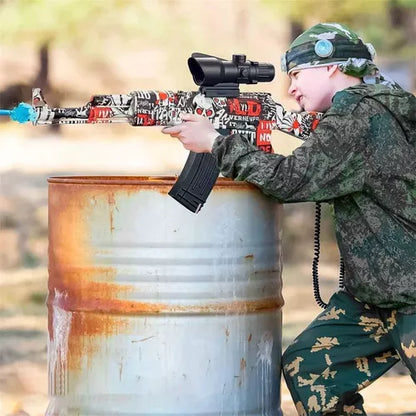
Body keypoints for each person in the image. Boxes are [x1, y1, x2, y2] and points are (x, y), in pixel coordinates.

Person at [162, 22, 416, 415]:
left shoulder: (358, 116)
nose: (291, 87)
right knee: (310, 366)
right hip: (376, 301)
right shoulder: (377, 107)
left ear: (331, 67)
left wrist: (215, 143)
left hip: (411, 297)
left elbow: (288, 180)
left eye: (297, 73)